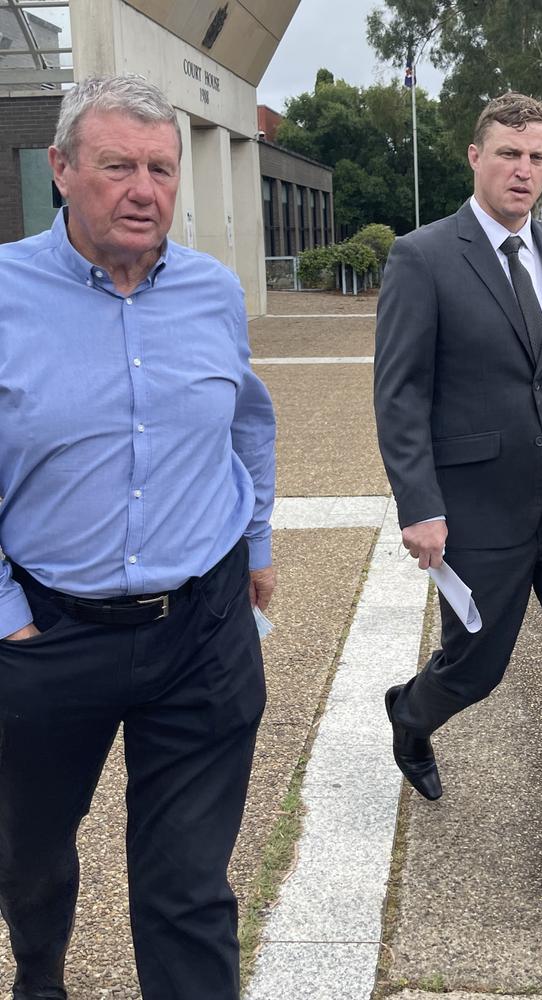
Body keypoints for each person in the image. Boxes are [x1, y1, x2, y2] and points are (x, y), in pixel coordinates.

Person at [0, 76, 276, 1000]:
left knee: (189, 890)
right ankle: (39, 975)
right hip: (46, 635)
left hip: (201, 636)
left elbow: (249, 424)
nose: (143, 189)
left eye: (161, 168)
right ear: (62, 170)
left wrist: (257, 543)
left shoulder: (212, 293)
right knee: (28, 854)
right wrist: (7, 618)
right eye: (118, 165)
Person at [374, 92, 542, 939]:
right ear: (474, 156)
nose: (524, 170)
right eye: (509, 154)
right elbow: (400, 393)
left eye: (536, 158)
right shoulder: (423, 258)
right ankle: (411, 713)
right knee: (475, 669)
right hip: (478, 512)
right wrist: (419, 506)